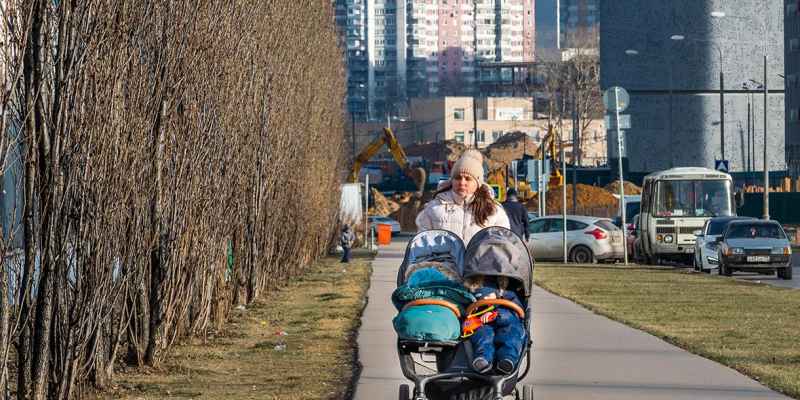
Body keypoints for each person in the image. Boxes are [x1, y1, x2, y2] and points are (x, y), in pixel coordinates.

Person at [416, 149, 510, 245]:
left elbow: (503, 248)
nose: (462, 183)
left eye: (468, 179)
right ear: (452, 180)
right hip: (445, 260)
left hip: (480, 260)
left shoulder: (494, 211)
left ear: (478, 183)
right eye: (458, 178)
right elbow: (421, 246)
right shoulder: (434, 207)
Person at [463, 274, 525, 375]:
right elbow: (467, 321)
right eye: (481, 298)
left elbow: (517, 313)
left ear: (497, 292)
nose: (486, 300)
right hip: (484, 326)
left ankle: (507, 358)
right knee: (483, 336)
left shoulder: (509, 297)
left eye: (488, 295)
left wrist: (497, 314)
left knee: (511, 333)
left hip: (507, 323)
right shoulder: (476, 307)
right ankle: (483, 359)